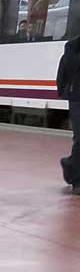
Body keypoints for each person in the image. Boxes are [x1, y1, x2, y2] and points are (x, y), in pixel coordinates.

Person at [57, 34, 80, 194]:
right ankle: (78, 180)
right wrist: (66, 91)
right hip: (77, 96)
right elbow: (69, 67)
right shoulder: (73, 46)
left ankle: (70, 165)